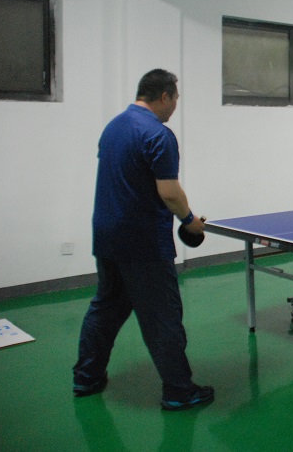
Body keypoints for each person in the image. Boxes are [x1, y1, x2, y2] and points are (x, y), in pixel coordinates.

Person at [73, 69, 214, 411]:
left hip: (106, 234)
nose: (176, 106)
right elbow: (169, 192)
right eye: (175, 99)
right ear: (164, 96)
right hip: (143, 242)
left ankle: (86, 377)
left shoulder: (114, 127)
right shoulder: (158, 134)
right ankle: (179, 391)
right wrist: (190, 222)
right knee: (162, 316)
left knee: (106, 307)